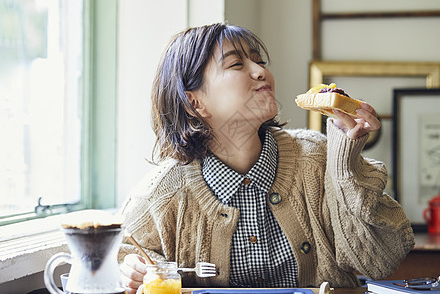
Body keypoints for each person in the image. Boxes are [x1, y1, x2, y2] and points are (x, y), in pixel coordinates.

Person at [118, 22, 414, 293]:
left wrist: (345, 163)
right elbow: (113, 252)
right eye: (236, 64)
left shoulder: (318, 158)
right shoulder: (162, 193)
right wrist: (133, 268)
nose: (261, 71)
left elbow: (380, 261)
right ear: (194, 102)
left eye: (259, 61)